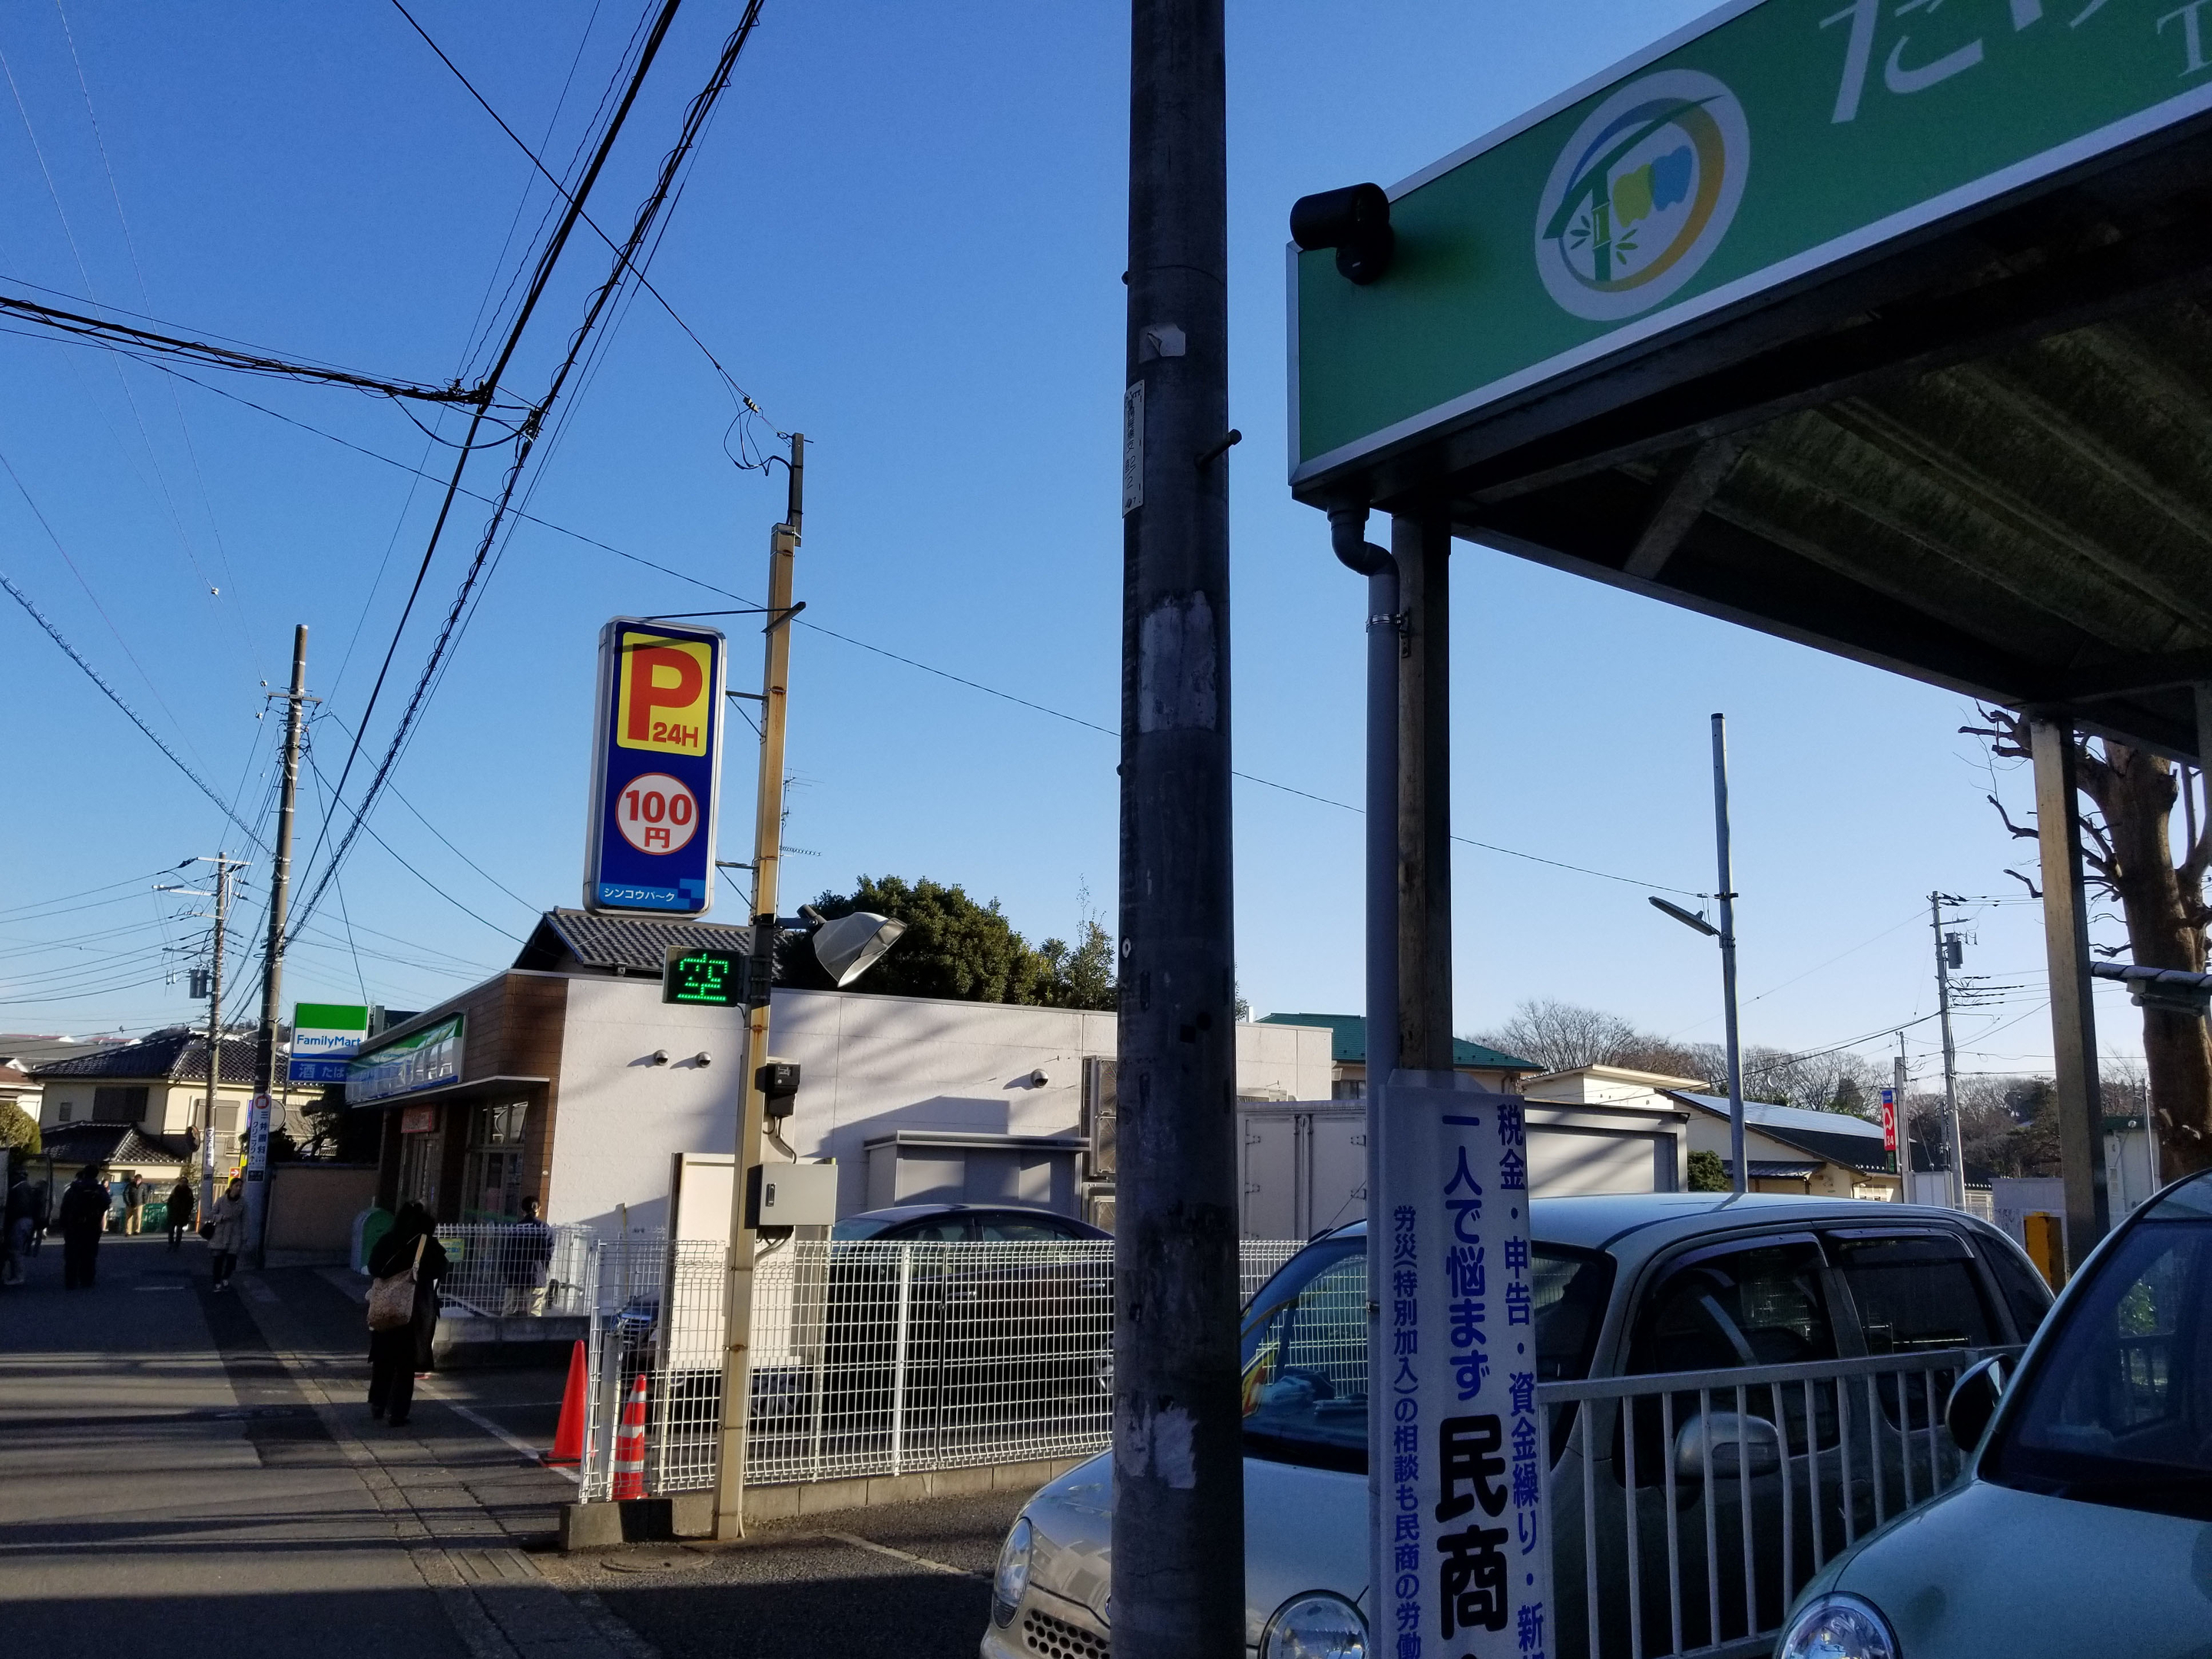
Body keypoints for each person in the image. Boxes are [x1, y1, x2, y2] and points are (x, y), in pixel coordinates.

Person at [367, 1201, 447, 1429]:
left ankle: (378, 1403)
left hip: (385, 1307)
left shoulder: (387, 1240)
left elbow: (374, 1267)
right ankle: (398, 1412)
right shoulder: (426, 1244)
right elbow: (441, 1269)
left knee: (383, 1358)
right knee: (405, 1363)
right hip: (413, 1311)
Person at [58, 1164, 110, 1290]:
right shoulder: (99, 1189)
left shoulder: (74, 1188)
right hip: (92, 1225)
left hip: (74, 1225)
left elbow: (65, 1207)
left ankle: (71, 1281)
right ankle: (87, 1280)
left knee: (71, 1255)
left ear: (84, 1173)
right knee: (89, 1254)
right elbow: (107, 1203)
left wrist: (64, 1223)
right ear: (96, 1175)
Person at [502, 1197, 554, 1316]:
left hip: (514, 1273)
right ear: (538, 1209)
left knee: (508, 1310)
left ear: (522, 1210)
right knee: (534, 1311)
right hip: (535, 1273)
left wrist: (506, 1272)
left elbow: (508, 1252)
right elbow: (548, 1253)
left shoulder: (516, 1228)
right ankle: (534, 1334)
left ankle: (504, 1333)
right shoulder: (544, 1228)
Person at [207, 1177, 247, 1291]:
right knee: (218, 1259)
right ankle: (217, 1282)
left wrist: (245, 1235)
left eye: (240, 1186)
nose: (239, 1189)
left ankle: (226, 1278)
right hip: (221, 1233)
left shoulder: (243, 1203)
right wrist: (222, 1217)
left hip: (235, 1233)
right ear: (231, 1187)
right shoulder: (221, 1200)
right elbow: (211, 1215)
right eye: (236, 1186)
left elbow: (245, 1219)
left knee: (231, 1259)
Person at [166, 1178, 197, 1250]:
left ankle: (177, 1245)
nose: (183, 1183)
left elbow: (191, 1203)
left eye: (185, 1182)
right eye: (182, 1182)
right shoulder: (175, 1190)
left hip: (183, 1214)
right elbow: (169, 1201)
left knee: (179, 1230)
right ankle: (170, 1243)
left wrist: (188, 1212)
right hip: (173, 1212)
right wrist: (170, 1210)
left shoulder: (188, 1191)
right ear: (179, 1182)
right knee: (171, 1229)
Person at [122, 1172, 147, 1236]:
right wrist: (127, 1202)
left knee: (138, 1217)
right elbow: (125, 1193)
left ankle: (137, 1230)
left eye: (138, 1180)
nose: (137, 1182)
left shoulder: (143, 1186)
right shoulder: (130, 1185)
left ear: (141, 1180)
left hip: (139, 1204)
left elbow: (145, 1194)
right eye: (136, 1180)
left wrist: (145, 1202)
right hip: (130, 1204)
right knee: (128, 1218)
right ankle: (128, 1232)